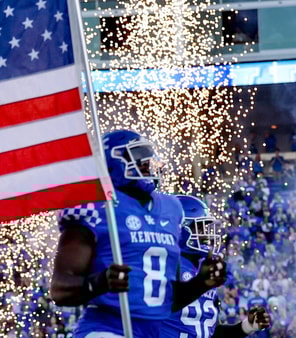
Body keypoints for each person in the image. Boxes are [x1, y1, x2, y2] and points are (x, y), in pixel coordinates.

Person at [50, 130, 226, 338]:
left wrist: (200, 283)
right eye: (136, 156)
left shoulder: (171, 209)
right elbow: (60, 290)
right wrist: (100, 282)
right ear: (111, 162)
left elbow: (166, 301)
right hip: (107, 329)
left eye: (146, 156)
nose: (145, 163)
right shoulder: (96, 207)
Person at [159, 195, 271, 337]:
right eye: (198, 227)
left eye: (206, 227)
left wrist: (246, 326)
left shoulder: (204, 268)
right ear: (179, 228)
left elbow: (209, 333)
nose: (206, 234)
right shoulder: (167, 264)